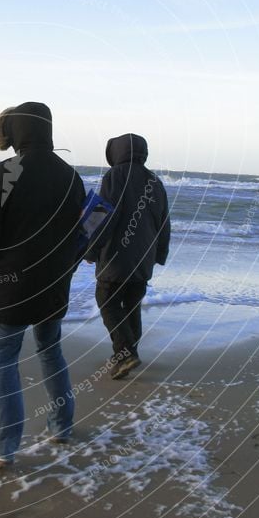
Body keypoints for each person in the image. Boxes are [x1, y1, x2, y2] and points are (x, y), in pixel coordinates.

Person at [0, 102, 85, 469]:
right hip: (54, 282)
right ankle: (62, 426)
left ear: (18, 131)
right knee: (50, 350)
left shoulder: (7, 171)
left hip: (11, 283)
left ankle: (4, 447)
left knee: (5, 359)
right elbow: (80, 233)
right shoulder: (71, 175)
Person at [85, 133, 170, 379]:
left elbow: (104, 214)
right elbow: (164, 222)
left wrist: (91, 249)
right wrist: (159, 253)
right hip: (143, 258)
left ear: (116, 152)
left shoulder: (115, 176)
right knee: (131, 306)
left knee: (107, 300)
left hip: (116, 256)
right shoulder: (155, 181)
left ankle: (125, 353)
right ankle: (126, 354)